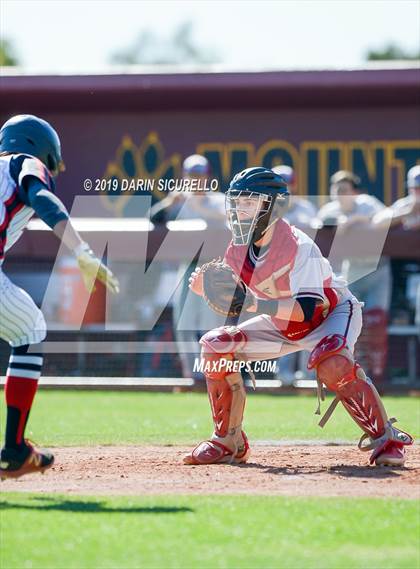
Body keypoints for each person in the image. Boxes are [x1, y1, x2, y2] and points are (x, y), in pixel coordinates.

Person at [184, 167, 412, 467]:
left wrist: (254, 305)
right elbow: (238, 297)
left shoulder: (298, 245)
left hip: (330, 314)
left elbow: (306, 310)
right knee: (216, 345)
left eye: (249, 203)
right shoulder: (236, 249)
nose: (239, 210)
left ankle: (386, 438)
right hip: (282, 322)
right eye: (237, 202)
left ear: (273, 207)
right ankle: (228, 440)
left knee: (332, 361)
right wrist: (206, 288)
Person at [0, 115, 119, 480]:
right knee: (30, 331)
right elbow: (41, 195)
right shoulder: (22, 162)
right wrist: (80, 249)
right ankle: (16, 449)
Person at [151, 154, 226, 380]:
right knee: (182, 322)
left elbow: (226, 219)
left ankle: (214, 373)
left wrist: (196, 205)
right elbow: (153, 218)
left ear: (207, 177)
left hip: (214, 266)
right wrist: (168, 202)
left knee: (211, 324)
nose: (196, 181)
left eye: (200, 176)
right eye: (192, 176)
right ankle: (192, 374)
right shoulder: (179, 201)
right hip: (188, 266)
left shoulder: (217, 199)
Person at [317, 171, 392, 383]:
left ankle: (379, 375)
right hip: (352, 272)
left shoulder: (366, 203)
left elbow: (387, 217)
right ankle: (354, 372)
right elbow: (320, 224)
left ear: (355, 192)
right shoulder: (330, 210)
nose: (340, 195)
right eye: (336, 190)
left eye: (344, 190)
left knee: (376, 322)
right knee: (349, 323)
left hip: (377, 269)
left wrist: (355, 220)